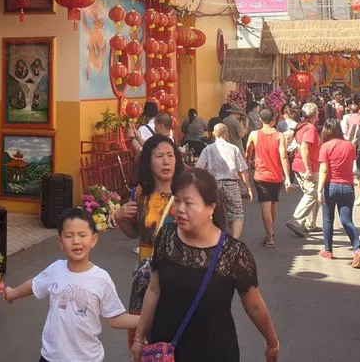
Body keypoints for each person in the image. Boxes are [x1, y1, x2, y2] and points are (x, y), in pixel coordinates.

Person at [131, 169, 280, 362]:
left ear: (211, 207)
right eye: (177, 200)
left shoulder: (233, 253)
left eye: (189, 203)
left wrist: (272, 343)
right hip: (166, 349)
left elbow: (255, 306)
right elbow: (154, 290)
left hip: (213, 351)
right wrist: (139, 337)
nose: (180, 209)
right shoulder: (166, 236)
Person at [3, 208, 137, 362]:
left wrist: (147, 320)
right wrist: (12, 293)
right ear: (60, 242)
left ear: (93, 240)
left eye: (82, 235)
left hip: (87, 358)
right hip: (51, 357)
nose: (76, 241)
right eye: (69, 236)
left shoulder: (101, 278)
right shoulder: (55, 269)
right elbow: (34, 284)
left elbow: (115, 318)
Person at [115, 135, 184, 337]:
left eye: (170, 155)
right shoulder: (140, 194)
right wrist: (119, 218)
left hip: (178, 273)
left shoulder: (186, 193)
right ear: (148, 162)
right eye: (160, 156)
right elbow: (135, 233)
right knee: (141, 330)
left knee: (174, 331)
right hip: (145, 275)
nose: (166, 161)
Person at [317, 119, 360, 267]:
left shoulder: (325, 146)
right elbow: (351, 163)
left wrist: (319, 189)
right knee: (346, 220)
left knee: (328, 219)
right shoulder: (349, 145)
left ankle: (328, 250)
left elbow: (324, 170)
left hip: (330, 186)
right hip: (347, 186)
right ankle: (357, 249)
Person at [196, 123, 254, 239]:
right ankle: (234, 241)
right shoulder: (233, 149)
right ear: (226, 133)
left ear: (213, 134)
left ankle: (215, 239)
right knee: (237, 214)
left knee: (213, 212)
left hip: (214, 185)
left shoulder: (208, 149)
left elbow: (198, 168)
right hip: (231, 184)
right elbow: (242, 170)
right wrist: (248, 187)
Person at [246, 107, 292, 248]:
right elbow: (284, 156)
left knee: (265, 205)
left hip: (261, 175)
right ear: (273, 120)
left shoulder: (254, 134)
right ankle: (271, 231)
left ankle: (269, 237)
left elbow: (248, 150)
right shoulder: (280, 136)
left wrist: (248, 162)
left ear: (260, 119)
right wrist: (288, 178)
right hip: (277, 176)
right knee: (273, 203)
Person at [286, 102, 321, 239]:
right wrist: (308, 169)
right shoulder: (310, 129)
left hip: (304, 163)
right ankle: (297, 219)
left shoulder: (301, 126)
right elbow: (305, 147)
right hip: (306, 165)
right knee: (312, 193)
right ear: (315, 114)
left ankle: (310, 223)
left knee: (315, 193)